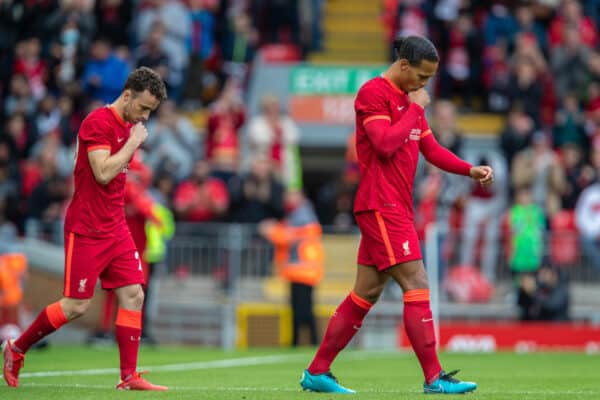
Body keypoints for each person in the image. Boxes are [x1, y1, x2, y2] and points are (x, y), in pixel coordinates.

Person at [299, 36, 494, 395]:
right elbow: (385, 145)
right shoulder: (374, 93)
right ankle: (434, 378)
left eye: (429, 80)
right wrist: (416, 108)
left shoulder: (408, 102)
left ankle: (317, 371)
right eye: (421, 77)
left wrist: (470, 170)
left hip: (394, 206)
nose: (424, 86)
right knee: (417, 282)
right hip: (381, 205)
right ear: (403, 65)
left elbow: (430, 149)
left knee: (366, 293)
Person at [2, 67, 168, 391]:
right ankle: (16, 349)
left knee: (134, 293)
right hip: (87, 228)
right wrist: (133, 144)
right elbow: (103, 172)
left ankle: (128, 376)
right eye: (143, 108)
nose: (145, 117)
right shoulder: (98, 123)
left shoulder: (128, 125)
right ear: (127, 95)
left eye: (150, 111)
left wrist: (132, 139)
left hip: (115, 226)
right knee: (77, 305)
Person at [259, 191, 324, 346]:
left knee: (303, 310)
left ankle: (307, 341)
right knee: (299, 309)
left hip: (303, 272)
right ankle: (302, 341)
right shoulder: (300, 216)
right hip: (301, 272)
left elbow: (288, 237)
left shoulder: (302, 217)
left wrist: (272, 231)